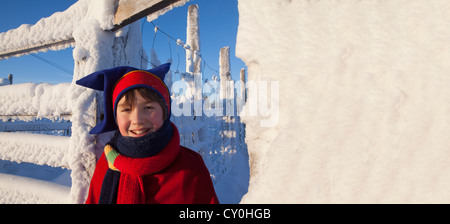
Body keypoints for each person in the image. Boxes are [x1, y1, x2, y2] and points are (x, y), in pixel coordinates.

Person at [76, 63, 219, 204]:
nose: (137, 120)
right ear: (116, 117)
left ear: (165, 112)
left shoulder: (191, 166)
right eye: (126, 109)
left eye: (148, 107)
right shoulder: (107, 161)